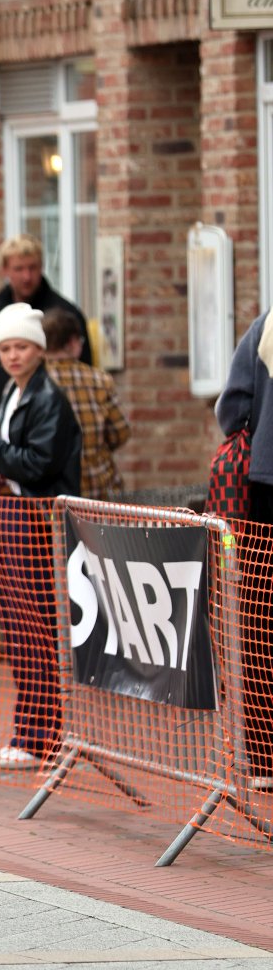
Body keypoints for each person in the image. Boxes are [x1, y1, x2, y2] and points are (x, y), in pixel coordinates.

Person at [0, 302, 82, 769]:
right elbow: (5, 460)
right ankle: (31, 732)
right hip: (10, 512)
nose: (13, 355)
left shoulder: (47, 398)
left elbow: (38, 464)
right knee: (18, 626)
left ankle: (39, 737)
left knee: (32, 625)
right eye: (5, 348)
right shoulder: (12, 392)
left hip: (33, 519)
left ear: (39, 349)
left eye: (21, 346)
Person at [215, 310, 273, 780]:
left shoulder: (267, 324)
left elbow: (232, 407)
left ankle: (265, 756)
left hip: (266, 484)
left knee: (260, 620)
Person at [0, 234, 91, 425]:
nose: (26, 276)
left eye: (32, 268)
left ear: (42, 267)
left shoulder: (65, 313)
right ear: (5, 270)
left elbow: (85, 367)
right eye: (19, 269)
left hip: (48, 421)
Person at [42, 307, 130, 501]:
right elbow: (120, 432)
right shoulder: (99, 380)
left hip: (54, 497)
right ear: (73, 343)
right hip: (99, 490)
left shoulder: (35, 383)